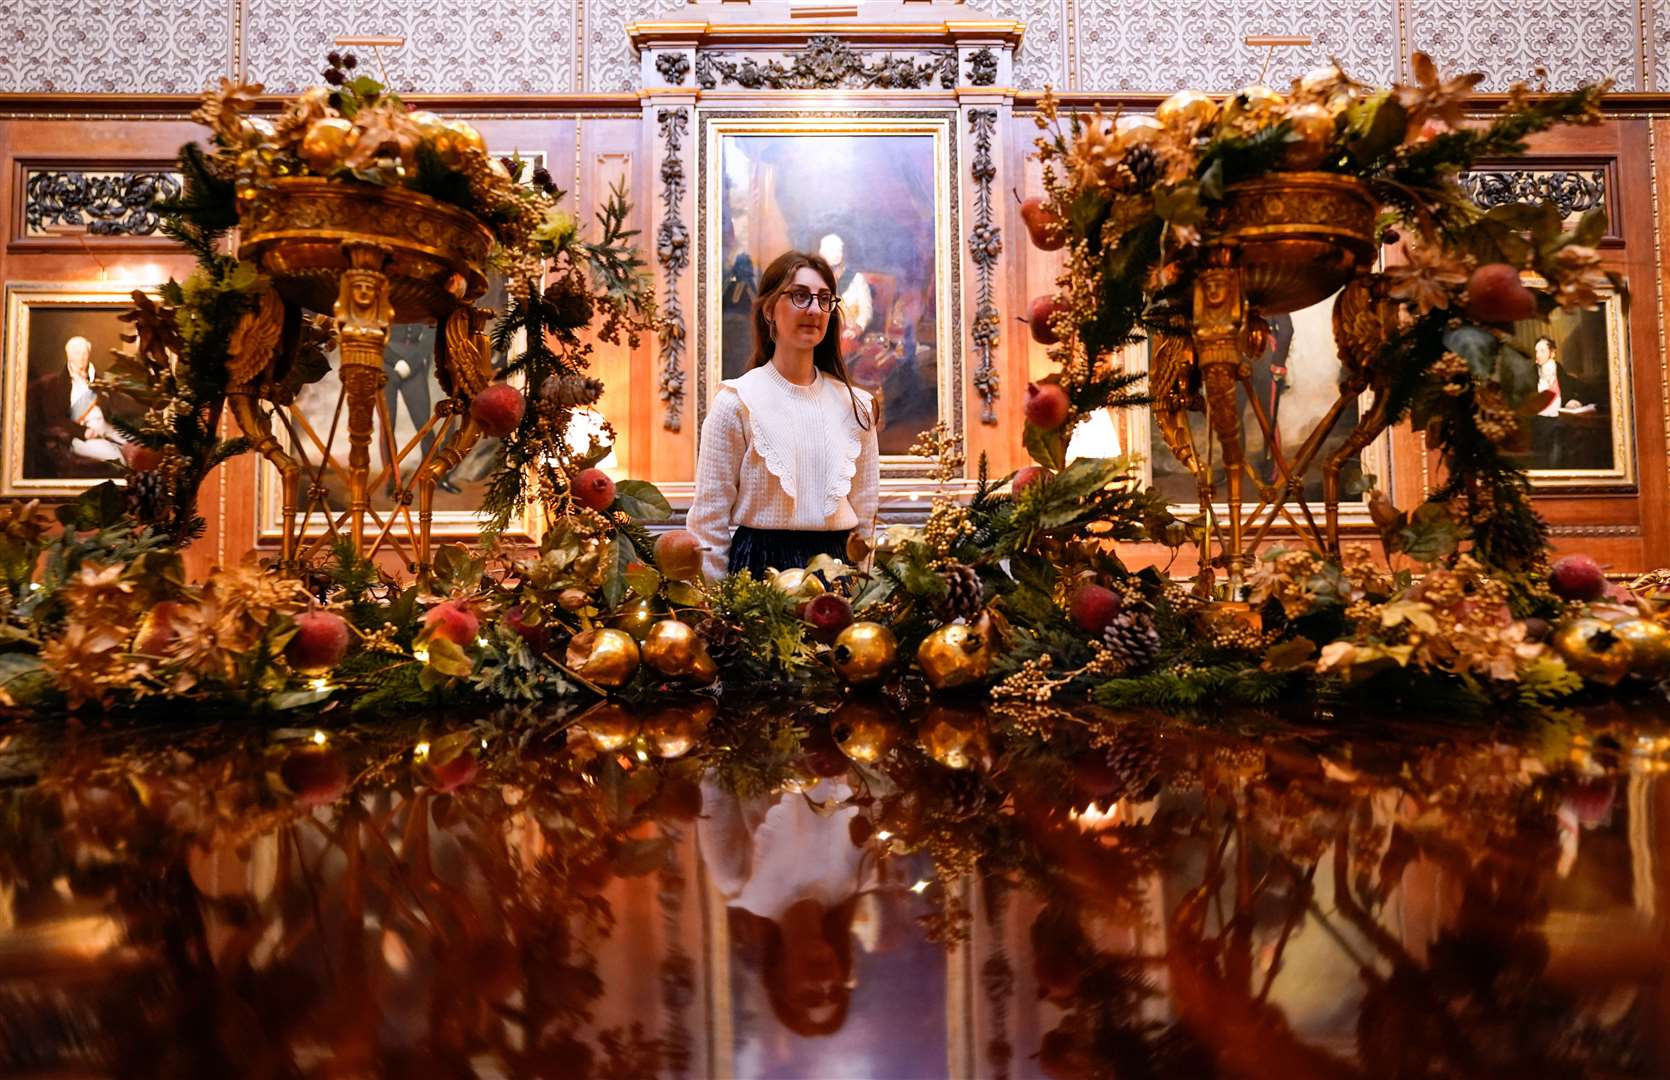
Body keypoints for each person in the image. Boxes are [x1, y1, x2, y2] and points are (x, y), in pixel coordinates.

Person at [688, 250, 880, 581]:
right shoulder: (736, 402)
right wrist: (719, 606)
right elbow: (708, 520)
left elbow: (865, 516)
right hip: (759, 571)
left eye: (824, 299)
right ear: (769, 309)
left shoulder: (857, 406)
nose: (814, 310)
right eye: (800, 296)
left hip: (838, 573)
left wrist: (866, 590)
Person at [64, 336, 129, 464]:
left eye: (85, 353)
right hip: (83, 437)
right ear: (69, 355)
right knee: (117, 459)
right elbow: (59, 418)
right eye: (77, 353)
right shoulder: (61, 384)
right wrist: (83, 432)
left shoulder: (95, 379)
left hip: (107, 429)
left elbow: (113, 405)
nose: (82, 357)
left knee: (136, 446)